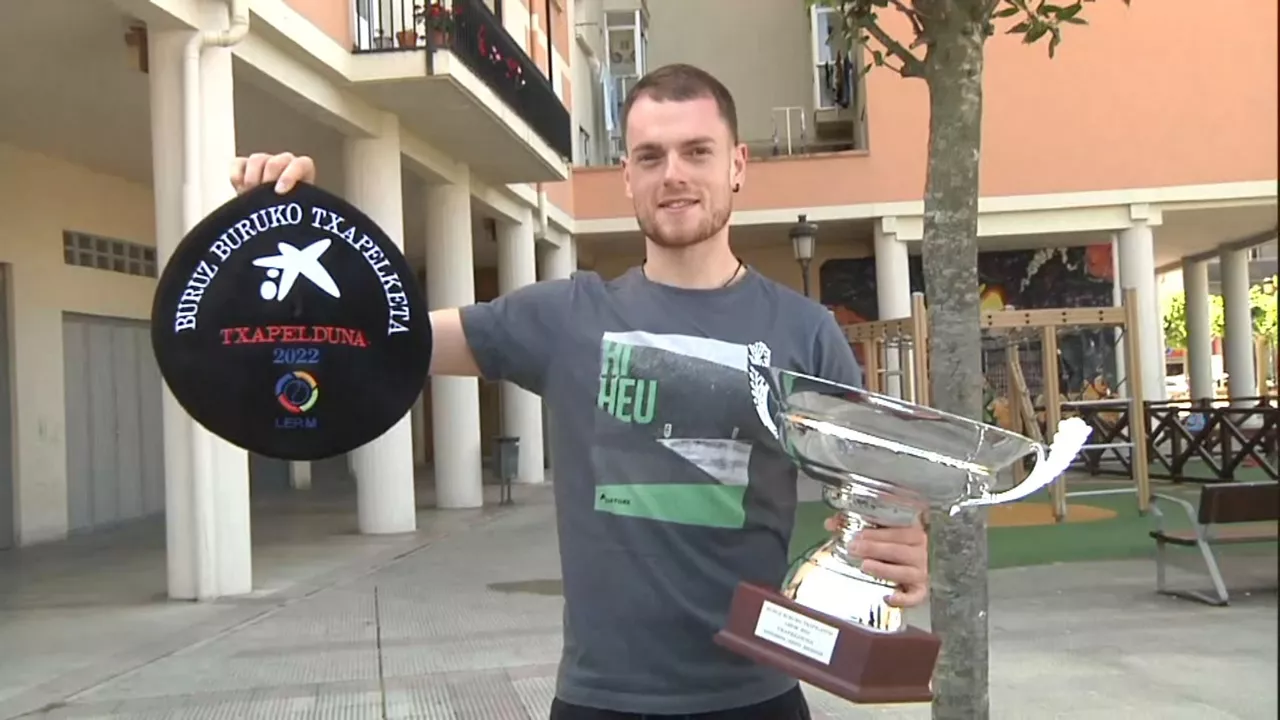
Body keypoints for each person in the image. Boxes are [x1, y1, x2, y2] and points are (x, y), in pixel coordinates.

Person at [232, 63, 929, 720]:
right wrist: (287, 226)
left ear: (737, 165)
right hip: (601, 699)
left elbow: (878, 499)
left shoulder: (805, 333)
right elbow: (380, 336)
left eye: (697, 152)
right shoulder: (565, 317)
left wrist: (898, 550)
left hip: (756, 695)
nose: (674, 174)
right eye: (650, 157)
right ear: (627, 175)